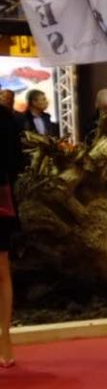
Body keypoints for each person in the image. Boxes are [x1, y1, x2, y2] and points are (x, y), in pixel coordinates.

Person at [0, 98, 20, 367]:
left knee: (1, 269)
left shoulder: (4, 119)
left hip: (0, 200)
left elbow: (15, 160)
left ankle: (5, 337)